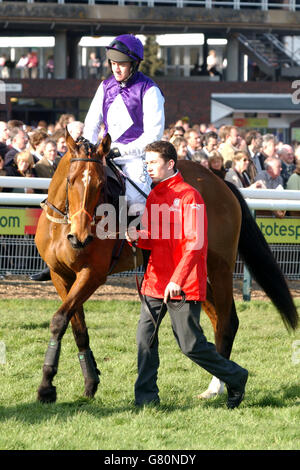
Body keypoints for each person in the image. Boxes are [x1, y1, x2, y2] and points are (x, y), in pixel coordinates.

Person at [125, 140, 248, 409]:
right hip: (155, 281)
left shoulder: (190, 196)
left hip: (182, 283)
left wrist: (176, 281)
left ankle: (236, 376)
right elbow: (157, 236)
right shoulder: (155, 195)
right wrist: (139, 237)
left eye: (153, 163)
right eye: (146, 163)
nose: (148, 168)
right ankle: (146, 399)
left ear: (170, 164)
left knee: (190, 345)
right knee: (144, 340)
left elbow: (195, 244)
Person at [83, 34, 165, 217]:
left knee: (135, 200)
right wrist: (88, 148)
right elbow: (91, 124)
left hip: (136, 159)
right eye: (113, 63)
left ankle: (137, 241)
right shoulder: (105, 86)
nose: (116, 68)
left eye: (121, 64)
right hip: (104, 155)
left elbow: (154, 135)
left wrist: (121, 151)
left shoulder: (150, 90)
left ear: (134, 64)